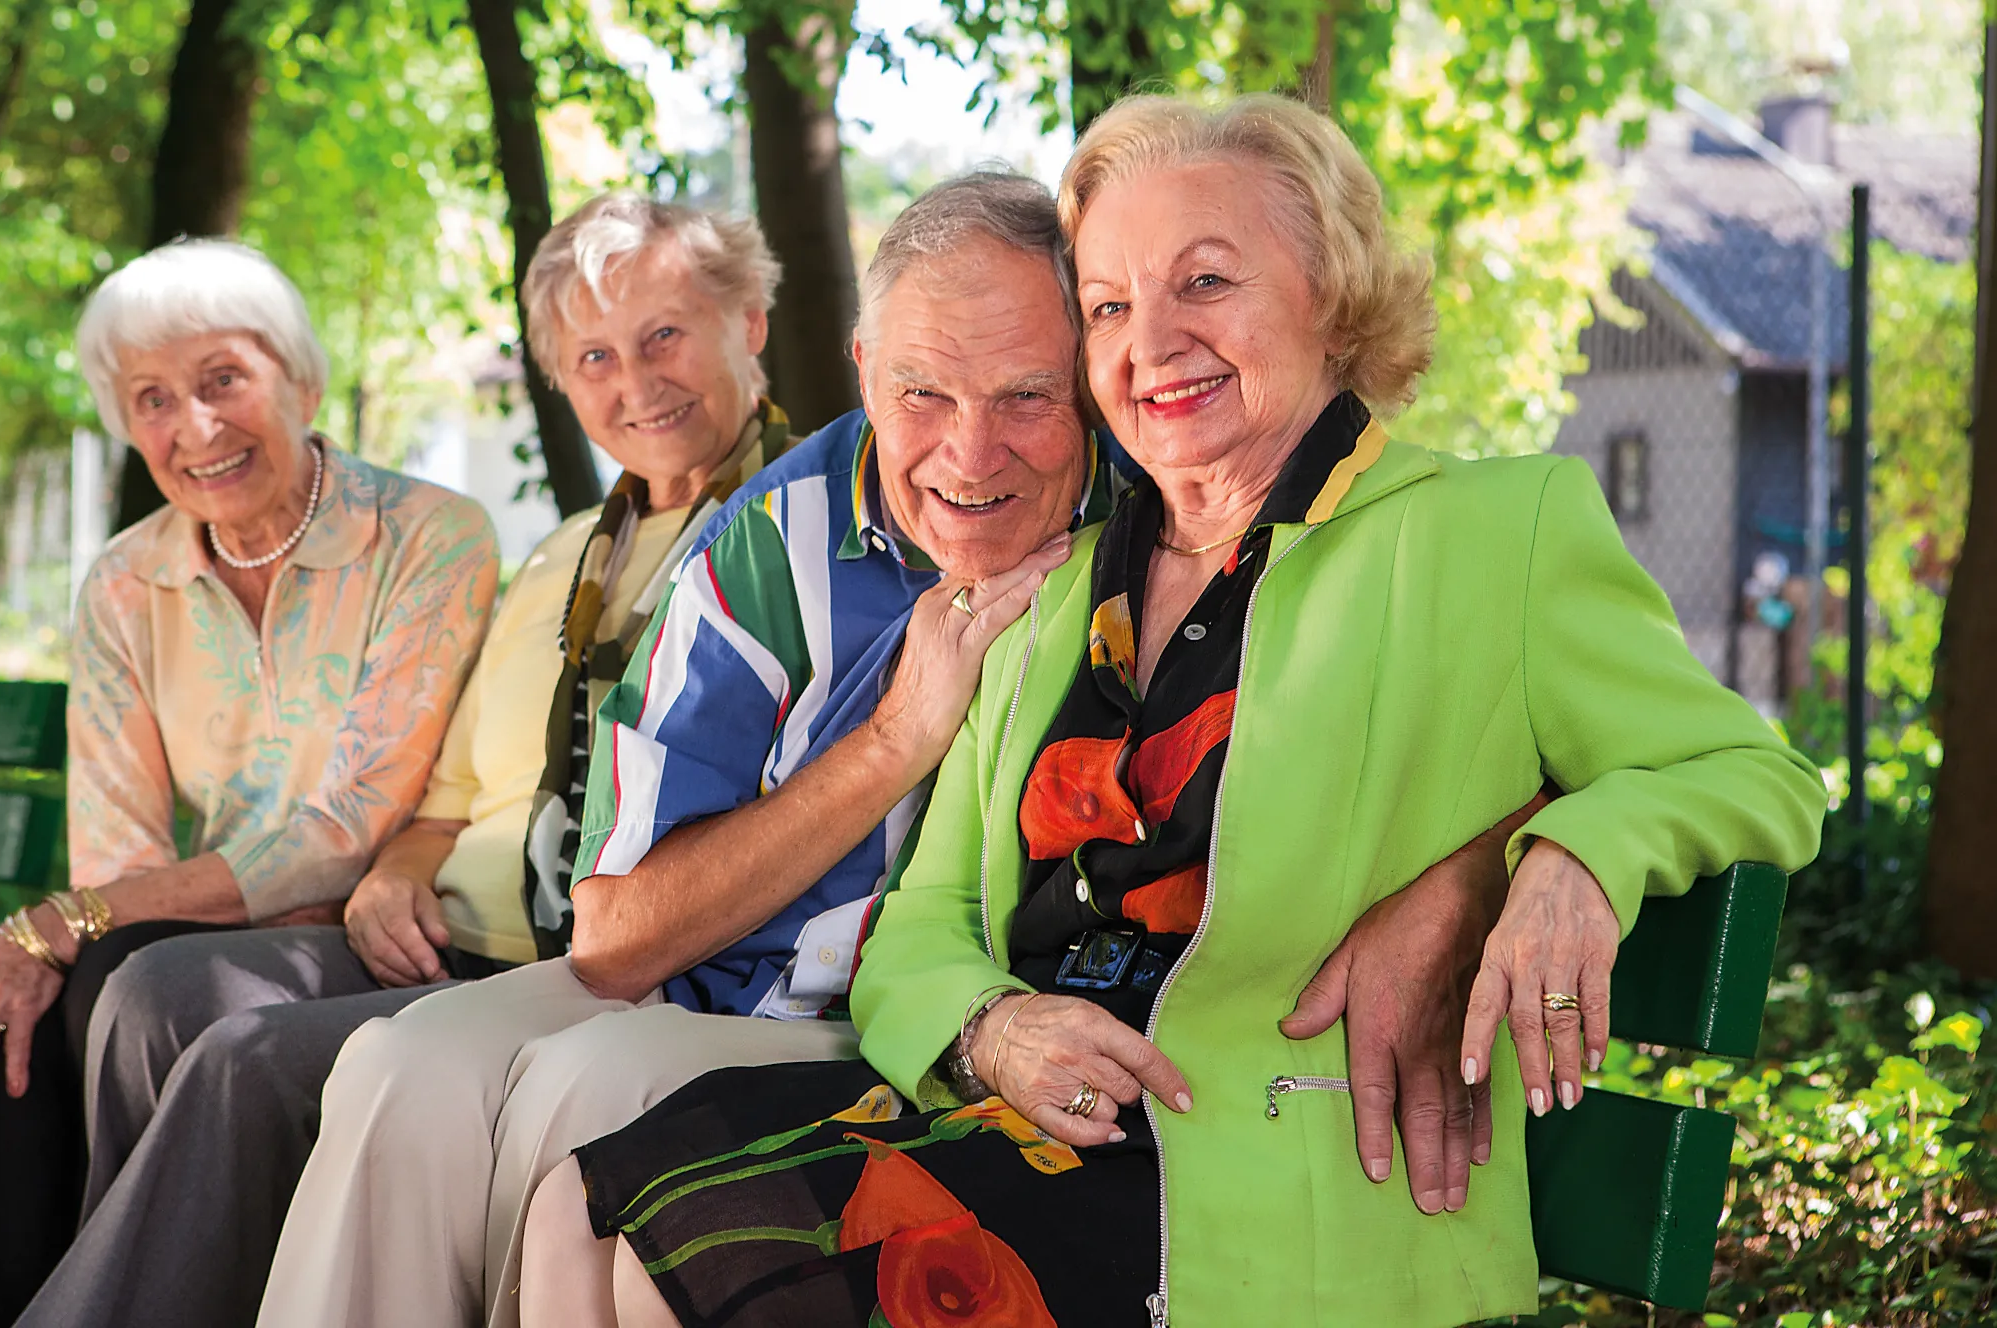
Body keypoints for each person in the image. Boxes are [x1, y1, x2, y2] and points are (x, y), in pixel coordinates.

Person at [527, 92, 1827, 1328]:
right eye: (1107, 304)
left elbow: (1751, 774)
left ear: (1332, 290)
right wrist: (990, 1029)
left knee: (690, 1257)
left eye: (1206, 280)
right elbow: (924, 923)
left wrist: (1534, 866)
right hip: (1027, 1129)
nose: (1150, 342)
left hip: (1278, 1177)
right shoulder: (1056, 594)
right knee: (588, 1213)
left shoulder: (1492, 533)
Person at [260, 169, 1529, 1328]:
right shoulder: (772, 546)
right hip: (705, 978)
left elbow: (1504, 703)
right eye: (921, 394)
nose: (970, 456)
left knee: (578, 1094)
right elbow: (614, 937)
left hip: (907, 1023)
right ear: (863, 368)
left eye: (1028, 395)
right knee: (400, 1061)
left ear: (1087, 374)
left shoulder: (1159, 519)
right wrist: (894, 738)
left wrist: (1476, 868)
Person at [6, 194, 801, 1328]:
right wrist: (398, 867)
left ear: (750, 321)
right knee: (146, 985)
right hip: (442, 937)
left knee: (245, 1059)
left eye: (664, 334)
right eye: (593, 356)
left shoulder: (799, 531)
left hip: (579, 963)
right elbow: (449, 797)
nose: (634, 382)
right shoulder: (564, 556)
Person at [0, 239, 499, 1327]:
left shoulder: (428, 537)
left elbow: (352, 823)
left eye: (224, 378)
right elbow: (120, 855)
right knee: (26, 1011)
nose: (195, 427)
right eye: (152, 399)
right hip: (222, 926)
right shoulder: (129, 582)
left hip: (396, 936)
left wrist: (67, 919)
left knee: (127, 981)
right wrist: (65, 932)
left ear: (300, 378)